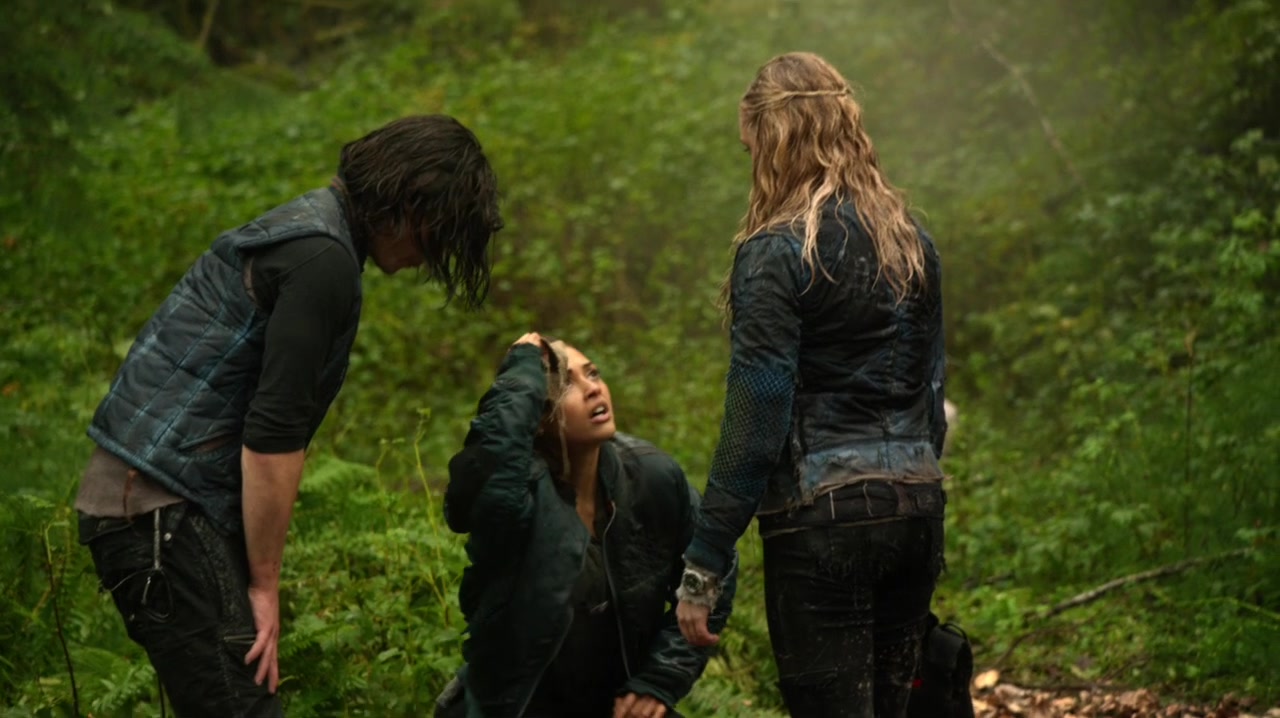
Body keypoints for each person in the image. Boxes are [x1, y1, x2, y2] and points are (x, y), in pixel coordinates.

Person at [75, 114, 502, 717]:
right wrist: (264, 586)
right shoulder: (321, 259)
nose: (432, 259)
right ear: (411, 202)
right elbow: (273, 436)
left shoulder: (311, 233)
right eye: (440, 234)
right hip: (160, 508)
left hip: (156, 501)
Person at [674, 52, 948, 718]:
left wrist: (704, 563)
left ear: (774, 140)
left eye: (750, 148)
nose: (751, 163)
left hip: (820, 519)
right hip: (917, 506)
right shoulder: (912, 241)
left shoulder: (775, 253)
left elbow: (758, 418)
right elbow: (932, 395)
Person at [437, 333, 736, 718]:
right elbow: (487, 474)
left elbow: (714, 564)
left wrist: (660, 679)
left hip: (616, 706)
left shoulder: (652, 476)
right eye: (566, 385)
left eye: (593, 374)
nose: (593, 389)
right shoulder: (516, 498)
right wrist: (522, 372)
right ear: (536, 417)